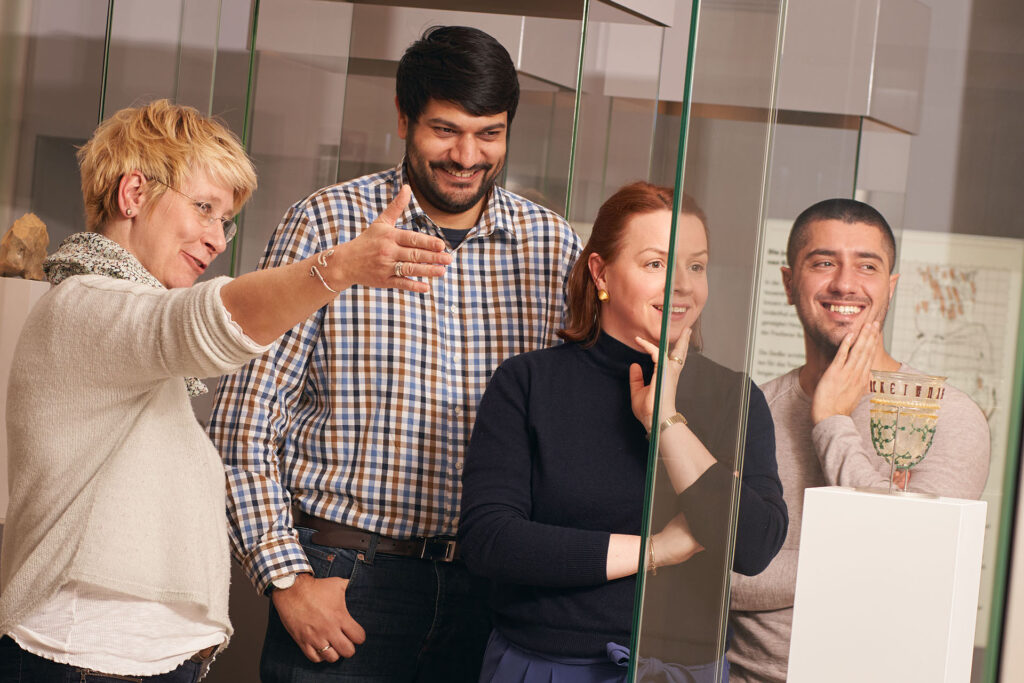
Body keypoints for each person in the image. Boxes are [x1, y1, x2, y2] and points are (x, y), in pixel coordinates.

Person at [0, 99, 451, 682]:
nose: (217, 238)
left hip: (121, 662)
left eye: (225, 220)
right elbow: (203, 321)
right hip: (85, 659)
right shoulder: (87, 304)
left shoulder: (120, 325)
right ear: (133, 194)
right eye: (204, 208)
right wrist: (338, 269)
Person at [206, 25, 582, 682]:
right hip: (347, 579)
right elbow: (243, 423)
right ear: (404, 120)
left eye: (489, 132)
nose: (468, 155)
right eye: (446, 130)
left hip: (492, 595)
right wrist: (287, 581)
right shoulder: (324, 224)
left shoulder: (551, 248)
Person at [458, 181, 788, 682]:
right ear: (600, 272)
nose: (682, 285)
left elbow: (753, 546)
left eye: (695, 266)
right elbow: (491, 541)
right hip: (546, 667)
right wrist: (657, 550)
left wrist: (667, 423)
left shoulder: (734, 397)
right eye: (656, 263)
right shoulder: (528, 383)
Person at [727, 198, 991, 683]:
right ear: (789, 283)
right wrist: (862, 554)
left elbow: (908, 560)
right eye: (823, 263)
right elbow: (715, 575)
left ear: (890, 288)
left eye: (866, 266)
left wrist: (830, 420)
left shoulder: (949, 416)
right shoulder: (748, 411)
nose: (845, 283)